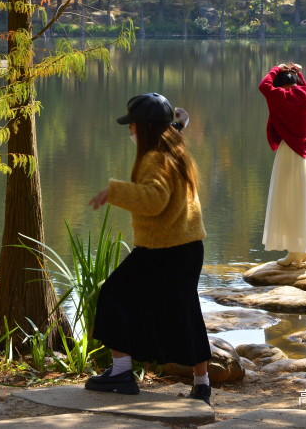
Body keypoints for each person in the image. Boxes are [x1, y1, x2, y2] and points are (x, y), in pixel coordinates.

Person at [85, 92, 212, 404]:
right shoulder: (174, 147)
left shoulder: (154, 157)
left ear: (144, 128)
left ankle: (121, 372)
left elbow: (154, 199)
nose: (129, 131)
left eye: (132, 126)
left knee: (114, 294)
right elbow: (177, 126)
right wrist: (178, 122)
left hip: (163, 249)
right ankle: (202, 383)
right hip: (188, 247)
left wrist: (112, 192)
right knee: (185, 310)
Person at [259, 62, 306, 268]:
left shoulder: (280, 97)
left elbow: (264, 86)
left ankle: (295, 253)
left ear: (281, 86)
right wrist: (298, 74)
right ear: (297, 83)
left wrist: (276, 68)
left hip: (289, 152)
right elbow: (305, 88)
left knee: (290, 200)